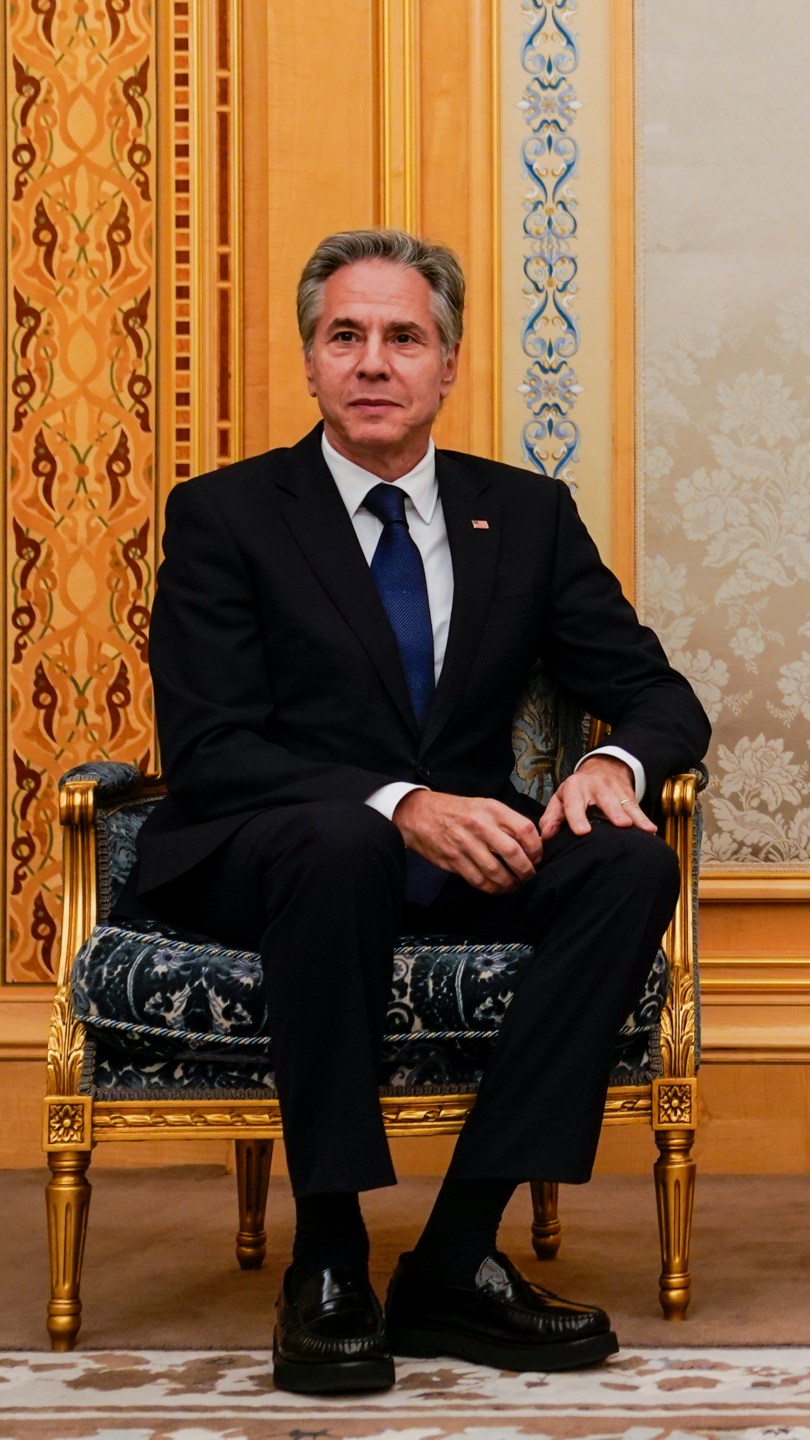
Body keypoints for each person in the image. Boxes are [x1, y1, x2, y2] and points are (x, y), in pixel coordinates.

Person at [125, 229, 711, 1394]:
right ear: (310, 362)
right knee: (343, 839)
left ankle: (452, 1258)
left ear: (449, 367)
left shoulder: (525, 516)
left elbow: (656, 693)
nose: (375, 362)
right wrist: (400, 803)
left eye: (405, 338)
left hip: (459, 854)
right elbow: (211, 747)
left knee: (629, 870)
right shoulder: (226, 516)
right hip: (272, 852)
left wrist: (614, 771)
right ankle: (330, 1256)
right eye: (347, 336)